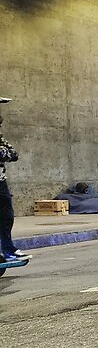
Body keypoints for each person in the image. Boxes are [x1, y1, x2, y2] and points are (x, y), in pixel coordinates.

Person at [0, 97, 28, 262]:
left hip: (1, 181)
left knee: (6, 216)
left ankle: (8, 249)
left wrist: (3, 152)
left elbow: (13, 154)